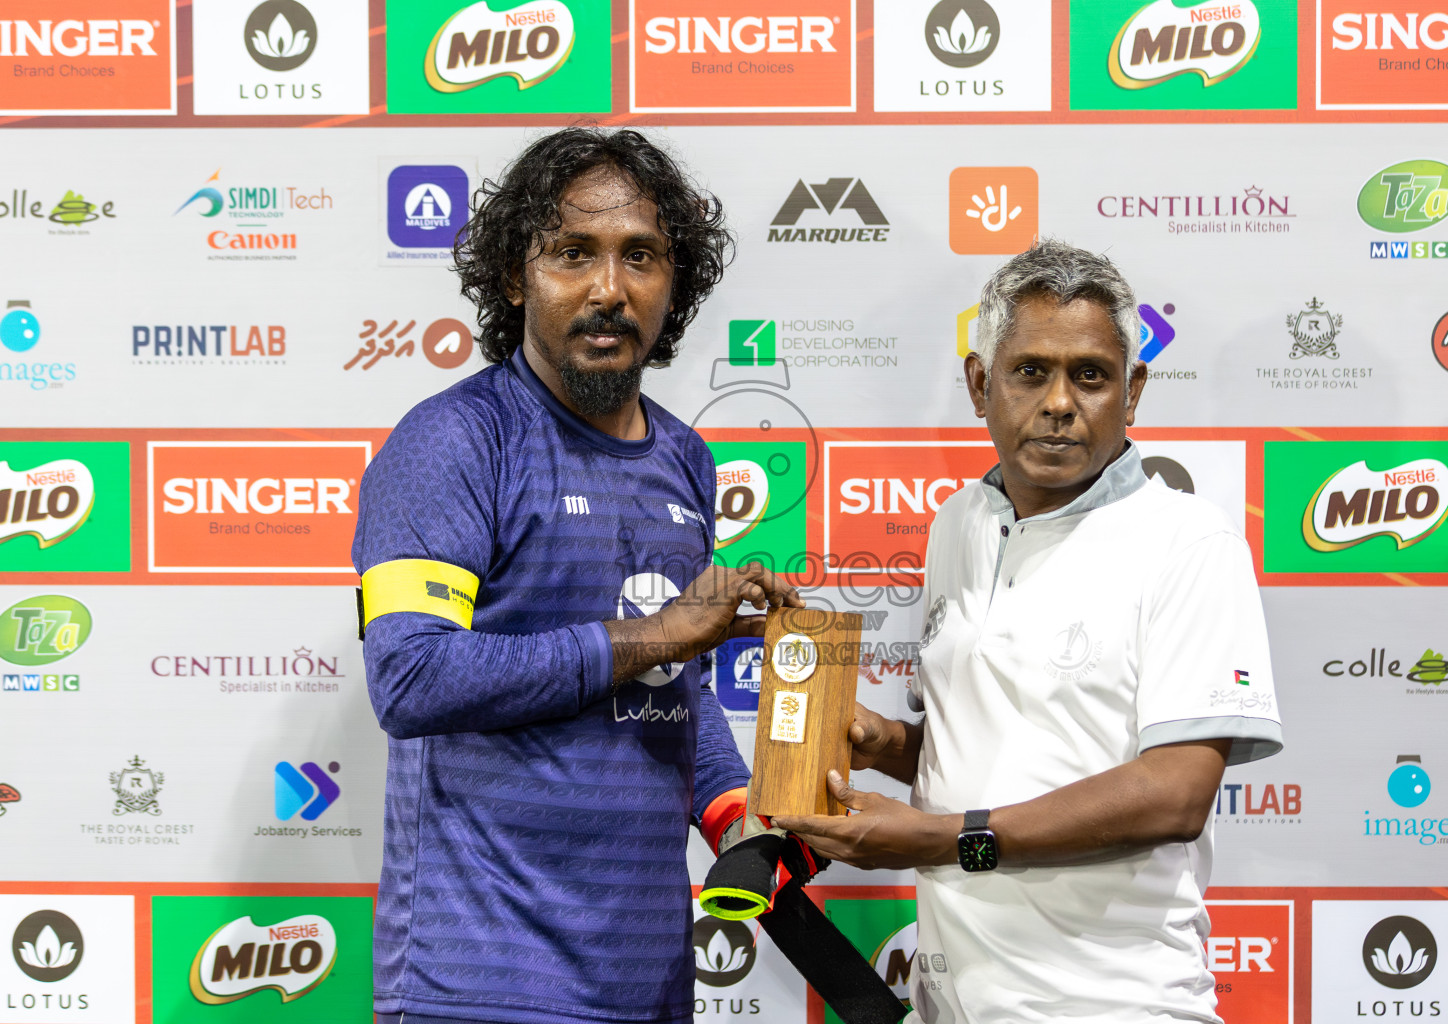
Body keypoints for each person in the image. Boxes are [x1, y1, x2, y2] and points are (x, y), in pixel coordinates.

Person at [351, 127, 804, 1024]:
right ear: (517, 276)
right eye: (573, 254)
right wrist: (660, 632)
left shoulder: (685, 459)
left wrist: (733, 815)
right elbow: (410, 677)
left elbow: (671, 688)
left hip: (649, 979)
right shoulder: (454, 440)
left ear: (675, 282)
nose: (609, 289)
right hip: (481, 982)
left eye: (640, 256)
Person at [776, 240, 1283, 1024]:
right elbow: (1007, 749)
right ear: (981, 384)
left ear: (1133, 391)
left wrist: (945, 839)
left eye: (1090, 375)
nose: (1058, 401)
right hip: (953, 1002)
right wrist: (891, 745)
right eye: (1029, 371)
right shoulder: (958, 525)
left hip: (1114, 1006)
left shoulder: (1189, 541)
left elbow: (1175, 793)